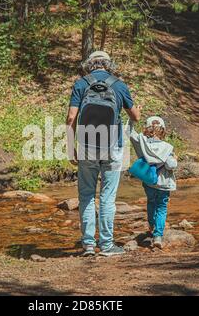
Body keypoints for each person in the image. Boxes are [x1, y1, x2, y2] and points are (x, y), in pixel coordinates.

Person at [66, 51, 141, 256]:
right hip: (112, 147)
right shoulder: (119, 84)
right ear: (108, 65)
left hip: (87, 147)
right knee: (108, 198)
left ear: (89, 65)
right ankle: (107, 245)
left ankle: (88, 245)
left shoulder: (81, 84)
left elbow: (71, 118)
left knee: (86, 196)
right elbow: (135, 116)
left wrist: (70, 146)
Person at [127, 115, 177, 249]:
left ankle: (151, 226)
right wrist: (173, 158)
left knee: (151, 202)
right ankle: (158, 236)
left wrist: (132, 117)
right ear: (163, 130)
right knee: (162, 207)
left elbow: (129, 131)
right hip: (164, 183)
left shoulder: (141, 142)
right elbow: (171, 165)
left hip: (149, 181)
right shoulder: (167, 147)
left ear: (147, 129)